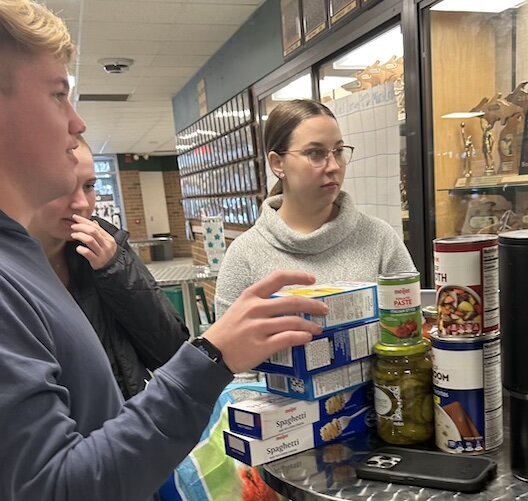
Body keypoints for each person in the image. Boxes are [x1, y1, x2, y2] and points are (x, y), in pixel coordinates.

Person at [0, 2, 327, 499]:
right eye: (57, 95)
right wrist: (213, 357)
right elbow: (51, 486)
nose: (77, 123)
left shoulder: (26, 258)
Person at [215, 99, 416, 317]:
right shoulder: (245, 254)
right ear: (277, 163)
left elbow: (410, 329)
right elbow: (226, 345)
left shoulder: (379, 238)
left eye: (338, 150)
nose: (334, 166)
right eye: (315, 153)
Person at [28, 138, 189, 399]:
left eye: (89, 186)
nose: (81, 203)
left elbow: (171, 351)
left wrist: (115, 269)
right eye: (62, 187)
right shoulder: (13, 266)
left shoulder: (110, 244)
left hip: (123, 421)